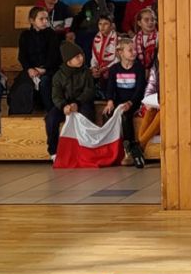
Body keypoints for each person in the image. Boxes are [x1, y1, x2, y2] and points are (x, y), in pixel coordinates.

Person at [45, 41, 96, 161]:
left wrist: (77, 103)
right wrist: (64, 106)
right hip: (65, 104)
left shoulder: (86, 72)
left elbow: (89, 91)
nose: (81, 59)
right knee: (51, 119)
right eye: (77, 57)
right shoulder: (58, 76)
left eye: (81, 55)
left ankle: (87, 148)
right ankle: (53, 151)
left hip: (82, 103)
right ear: (69, 61)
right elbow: (56, 96)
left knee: (87, 114)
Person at [102, 37, 148, 169]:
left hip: (134, 101)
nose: (134, 52)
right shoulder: (114, 69)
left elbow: (140, 90)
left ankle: (129, 149)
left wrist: (130, 103)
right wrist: (110, 101)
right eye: (130, 50)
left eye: (134, 50)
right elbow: (110, 88)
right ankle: (110, 149)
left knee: (126, 116)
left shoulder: (138, 68)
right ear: (121, 52)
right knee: (107, 114)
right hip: (119, 101)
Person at [11, 6, 61, 113]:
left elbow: (54, 56)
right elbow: (22, 56)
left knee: (45, 82)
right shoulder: (25, 35)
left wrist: (44, 69)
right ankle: (22, 115)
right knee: (22, 86)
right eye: (41, 19)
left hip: (49, 70)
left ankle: (51, 112)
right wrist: (29, 69)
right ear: (32, 21)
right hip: (31, 70)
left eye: (46, 19)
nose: (45, 21)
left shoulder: (52, 34)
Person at [89, 14, 118, 92]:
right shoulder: (96, 39)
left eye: (106, 24)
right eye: (100, 24)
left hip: (113, 67)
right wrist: (93, 67)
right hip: (100, 67)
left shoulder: (117, 39)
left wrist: (106, 68)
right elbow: (94, 56)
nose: (102, 27)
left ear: (111, 26)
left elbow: (118, 59)